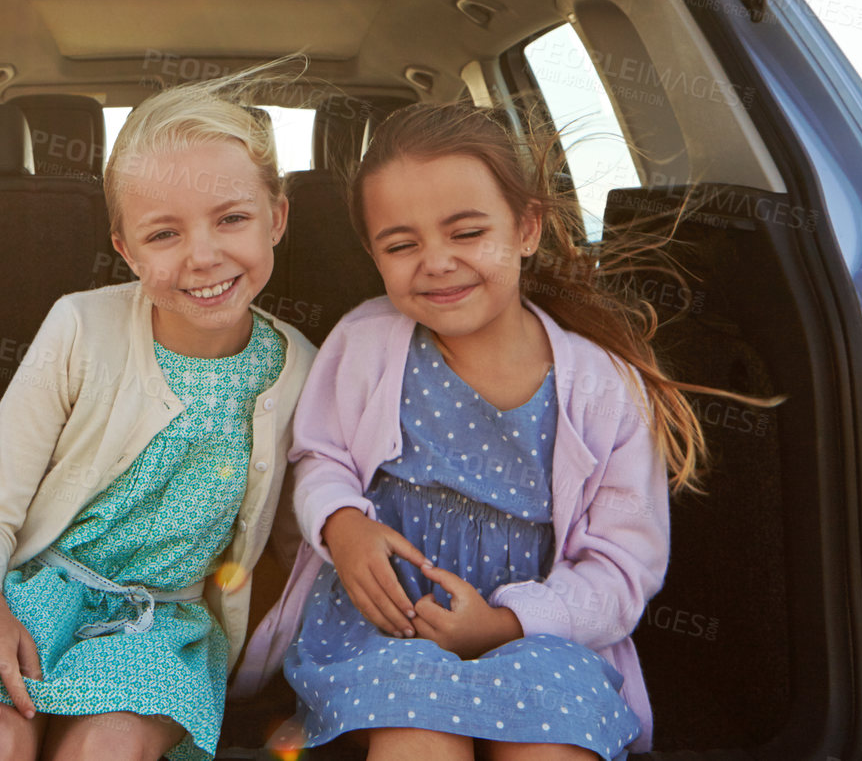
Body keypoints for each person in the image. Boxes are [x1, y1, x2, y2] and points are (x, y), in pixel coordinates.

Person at [230, 102, 779, 760]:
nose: (435, 262)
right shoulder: (367, 342)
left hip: (541, 635)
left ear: (526, 228)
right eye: (401, 244)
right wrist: (344, 527)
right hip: (385, 628)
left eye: (466, 233)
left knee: (550, 745)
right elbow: (319, 458)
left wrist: (504, 625)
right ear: (374, 255)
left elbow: (620, 570)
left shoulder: (603, 387)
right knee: (418, 740)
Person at [0, 67, 317, 761]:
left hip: (163, 625)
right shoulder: (79, 328)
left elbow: (300, 550)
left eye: (232, 218)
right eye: (163, 235)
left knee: (108, 748)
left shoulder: (300, 368)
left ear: (278, 216)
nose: (203, 256)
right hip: (30, 597)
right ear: (124, 250)